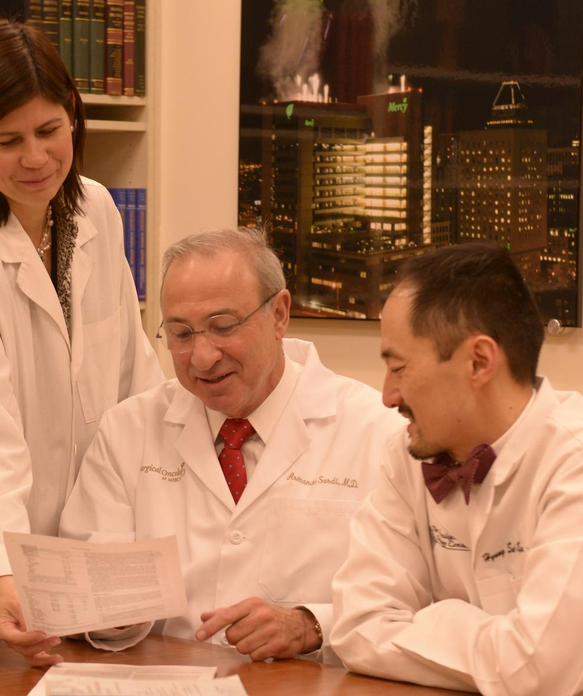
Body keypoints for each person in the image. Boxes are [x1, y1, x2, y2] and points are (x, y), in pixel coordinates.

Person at [330, 242, 583, 696]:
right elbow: (355, 628)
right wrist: (501, 650)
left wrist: (430, 619)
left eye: (399, 367)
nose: (387, 395)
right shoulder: (407, 454)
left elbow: (535, 674)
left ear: (479, 361)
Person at [0, 20, 162, 666]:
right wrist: (4, 571)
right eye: (8, 141)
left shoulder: (97, 210)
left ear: (74, 113)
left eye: (49, 131)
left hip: (102, 569)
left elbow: (136, 378)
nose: (36, 158)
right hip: (3, 580)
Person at [59, 228, 403, 662]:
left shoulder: (376, 431)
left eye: (223, 327)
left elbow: (411, 598)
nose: (202, 357)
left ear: (280, 314)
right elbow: (89, 591)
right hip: (168, 693)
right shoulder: (129, 430)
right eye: (181, 334)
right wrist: (103, 613)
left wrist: (312, 624)